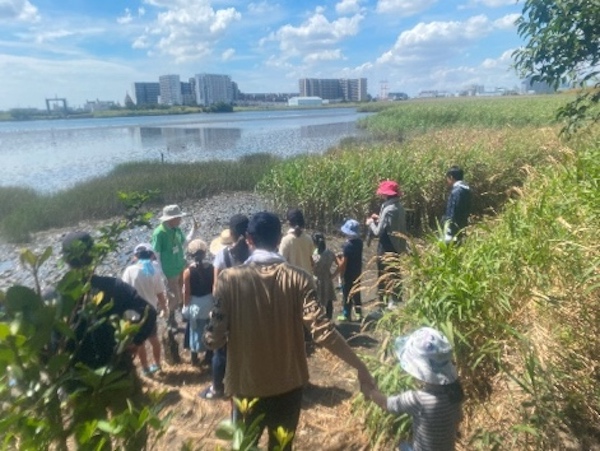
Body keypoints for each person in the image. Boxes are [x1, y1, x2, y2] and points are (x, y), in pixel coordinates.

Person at [203, 212, 374, 451]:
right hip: (288, 387)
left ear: (249, 239)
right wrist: (360, 367)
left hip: (246, 386)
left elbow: (212, 339)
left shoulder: (228, 280)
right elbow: (324, 331)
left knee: (244, 446)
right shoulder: (300, 279)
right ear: (278, 239)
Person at [60, 231, 157, 448]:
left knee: (93, 442)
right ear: (93, 256)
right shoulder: (113, 287)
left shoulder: (56, 296)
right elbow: (149, 311)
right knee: (133, 433)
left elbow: (47, 346)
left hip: (79, 382)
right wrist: (137, 340)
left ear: (66, 260)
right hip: (117, 371)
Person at [361, 327, 464, 451]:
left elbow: (387, 404)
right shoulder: (454, 393)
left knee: (401, 445)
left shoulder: (417, 399)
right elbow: (458, 419)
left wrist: (369, 392)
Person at [199, 214, 250, 400]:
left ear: (232, 233)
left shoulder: (223, 255)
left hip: (228, 306)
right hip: (249, 306)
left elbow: (216, 287)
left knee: (220, 350)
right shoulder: (254, 251)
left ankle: (217, 389)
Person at [121, 242, 166, 376]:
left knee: (139, 342)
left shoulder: (130, 271)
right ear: (151, 255)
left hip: (134, 313)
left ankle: (145, 368)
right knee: (154, 339)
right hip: (150, 312)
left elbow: (124, 291)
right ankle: (157, 365)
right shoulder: (155, 270)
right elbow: (160, 293)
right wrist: (164, 308)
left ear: (136, 256)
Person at [151, 204, 198, 329]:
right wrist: (161, 275)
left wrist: (194, 230)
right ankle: (170, 319)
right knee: (173, 297)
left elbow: (184, 243)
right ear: (170, 219)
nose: (180, 220)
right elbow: (156, 256)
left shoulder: (176, 229)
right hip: (169, 271)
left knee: (184, 290)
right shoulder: (159, 233)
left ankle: (183, 314)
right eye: (178, 217)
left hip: (180, 265)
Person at [366, 180, 407, 308]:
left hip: (386, 245)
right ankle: (394, 300)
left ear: (386, 195)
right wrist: (379, 218)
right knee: (394, 272)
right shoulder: (399, 207)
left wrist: (370, 223)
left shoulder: (388, 208)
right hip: (397, 245)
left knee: (383, 274)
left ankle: (382, 302)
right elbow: (391, 224)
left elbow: (378, 232)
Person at [182, 239, 214, 367]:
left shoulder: (188, 272)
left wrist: (185, 307)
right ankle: (209, 356)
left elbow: (186, 293)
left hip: (196, 305)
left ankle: (194, 358)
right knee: (210, 330)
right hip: (209, 303)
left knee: (193, 330)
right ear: (205, 253)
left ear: (191, 255)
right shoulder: (211, 268)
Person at [336, 219, 363, 322]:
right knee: (357, 293)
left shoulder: (347, 246)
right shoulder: (360, 243)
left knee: (347, 294)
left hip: (348, 274)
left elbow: (344, 264)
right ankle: (359, 313)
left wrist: (338, 259)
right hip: (357, 272)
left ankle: (346, 315)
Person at [311, 232, 339, 320]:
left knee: (316, 301)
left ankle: (318, 320)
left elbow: (311, 265)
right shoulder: (330, 253)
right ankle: (329, 319)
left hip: (316, 280)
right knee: (329, 300)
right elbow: (340, 264)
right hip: (327, 278)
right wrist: (334, 275)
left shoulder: (313, 255)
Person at [279, 208, 314, 274]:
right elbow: (311, 260)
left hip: (292, 279)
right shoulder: (308, 239)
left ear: (288, 222)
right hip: (307, 278)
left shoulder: (286, 240)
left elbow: (281, 262)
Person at [442, 166, 471, 244]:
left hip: (453, 229)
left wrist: (449, 227)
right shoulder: (467, 190)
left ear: (451, 177)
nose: (447, 181)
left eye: (447, 178)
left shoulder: (456, 192)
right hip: (462, 226)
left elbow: (453, 211)